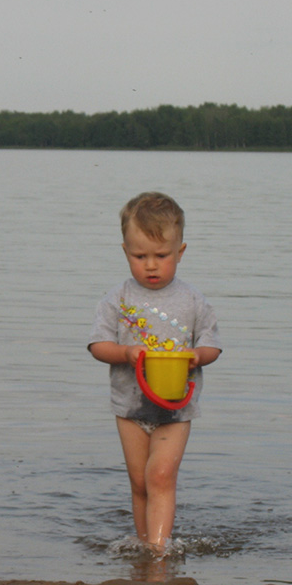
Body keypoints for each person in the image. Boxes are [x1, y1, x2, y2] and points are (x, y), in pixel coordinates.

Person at [88, 192, 221, 558]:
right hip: (130, 405)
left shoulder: (193, 301)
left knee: (160, 476)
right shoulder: (116, 299)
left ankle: (159, 554)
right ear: (125, 250)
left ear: (180, 252)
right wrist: (126, 353)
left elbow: (212, 346)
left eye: (161, 256)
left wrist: (196, 356)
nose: (150, 265)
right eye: (139, 256)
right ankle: (145, 545)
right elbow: (98, 345)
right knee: (139, 482)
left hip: (176, 406)